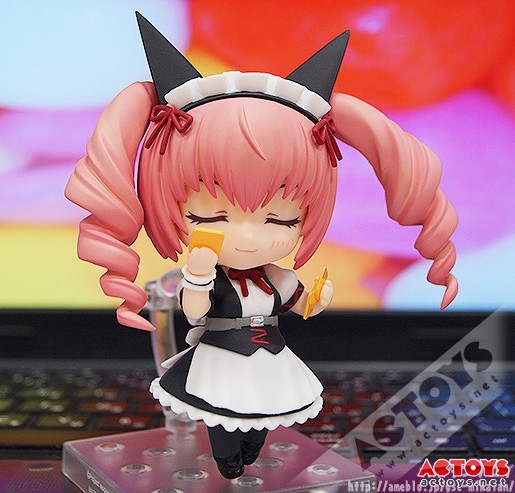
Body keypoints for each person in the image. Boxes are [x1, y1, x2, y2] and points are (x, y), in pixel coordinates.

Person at [65, 14, 458, 479]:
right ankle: (228, 461)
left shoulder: (277, 277)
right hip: (219, 358)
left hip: (270, 357)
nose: (250, 238)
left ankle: (248, 452)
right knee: (221, 417)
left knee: (264, 416)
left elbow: (299, 303)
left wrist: (317, 299)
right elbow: (194, 311)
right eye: (211, 217)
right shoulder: (208, 274)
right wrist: (199, 275)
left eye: (280, 219)